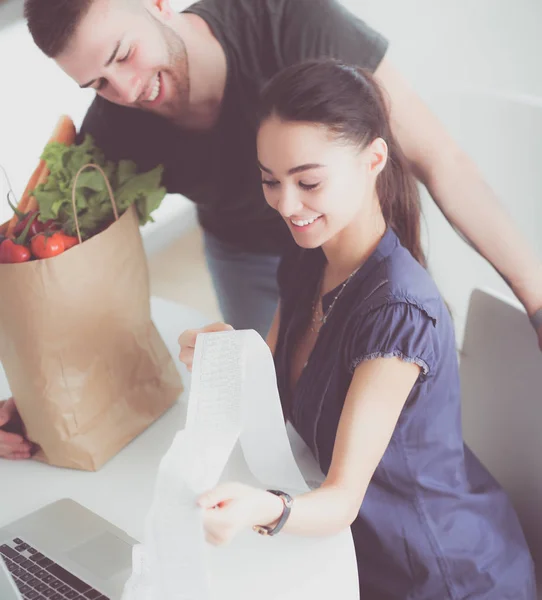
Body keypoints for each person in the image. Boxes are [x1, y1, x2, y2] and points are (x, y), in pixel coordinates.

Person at [2, 0, 541, 455]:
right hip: (247, 256)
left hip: (355, 239)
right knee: (289, 422)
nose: (125, 88)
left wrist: (536, 300)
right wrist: (40, 401)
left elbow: (439, 159)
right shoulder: (114, 126)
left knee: (401, 415)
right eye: (97, 81)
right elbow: (63, 274)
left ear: (157, 3)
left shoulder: (289, 21)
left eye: (123, 54)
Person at [177, 60, 536, 599]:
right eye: (270, 181)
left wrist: (262, 508)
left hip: (444, 577)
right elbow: (270, 401)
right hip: (354, 559)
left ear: (373, 160)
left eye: (309, 181)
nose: (287, 205)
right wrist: (226, 355)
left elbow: (342, 499)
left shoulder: (399, 312)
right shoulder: (307, 258)